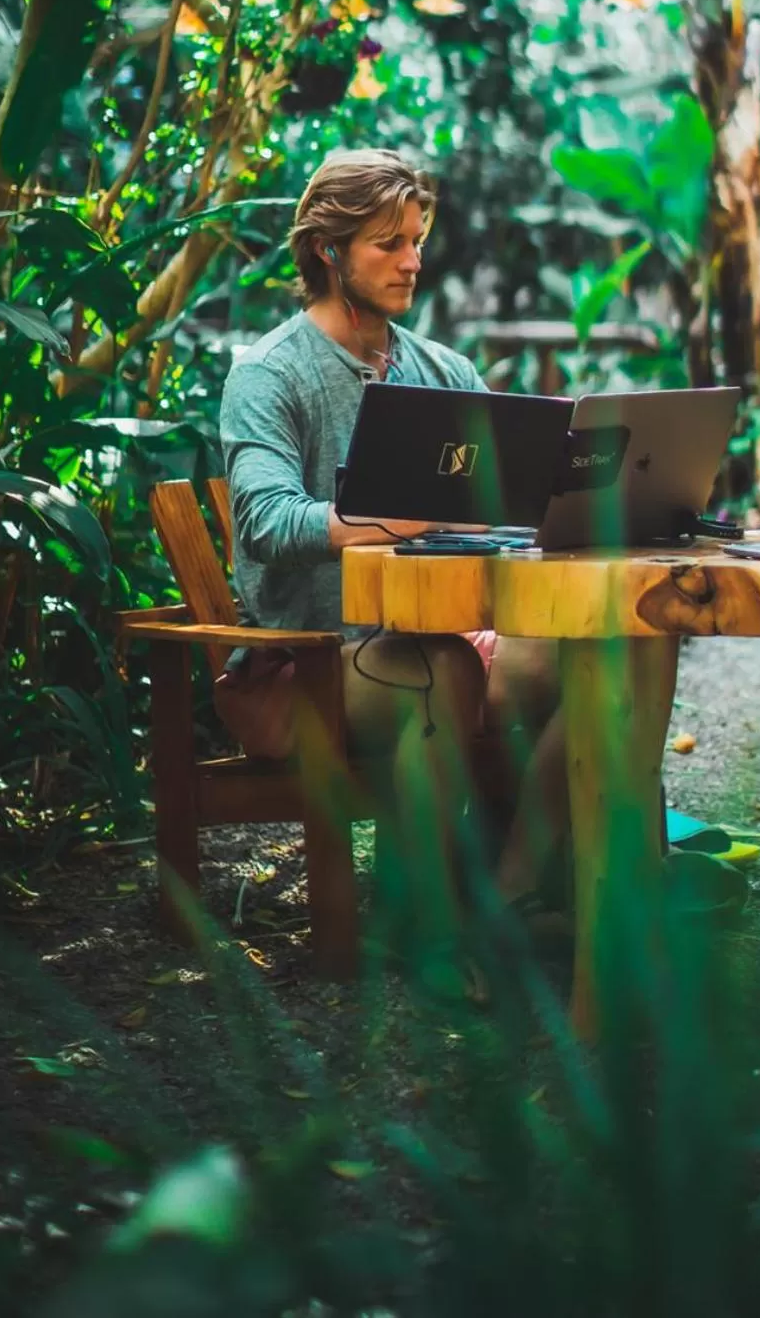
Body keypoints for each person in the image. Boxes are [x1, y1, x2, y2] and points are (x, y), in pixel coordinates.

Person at [218, 148, 568, 992]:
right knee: (439, 666)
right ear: (329, 252)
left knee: (579, 653)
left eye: (416, 238)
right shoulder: (271, 374)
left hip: (441, 640)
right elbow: (265, 519)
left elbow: (510, 513)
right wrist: (401, 519)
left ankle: (511, 897)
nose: (413, 260)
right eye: (387, 244)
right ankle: (423, 929)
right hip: (299, 670)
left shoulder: (443, 373)